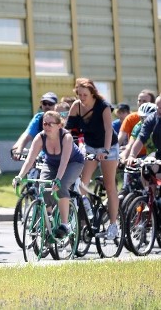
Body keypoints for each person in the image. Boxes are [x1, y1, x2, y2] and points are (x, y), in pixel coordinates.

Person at [12, 111, 84, 238]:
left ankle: (65, 224)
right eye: (45, 123)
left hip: (73, 163)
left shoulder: (66, 137)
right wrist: (19, 176)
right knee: (43, 188)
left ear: (59, 125)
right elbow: (30, 160)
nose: (47, 126)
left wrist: (57, 179)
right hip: (51, 163)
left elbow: (64, 161)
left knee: (61, 186)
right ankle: (49, 218)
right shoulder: (40, 138)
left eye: (51, 124)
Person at [66, 78, 118, 241]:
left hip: (108, 146)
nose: (82, 98)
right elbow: (70, 131)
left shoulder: (103, 107)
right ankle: (81, 216)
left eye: (85, 95)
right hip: (89, 147)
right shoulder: (76, 107)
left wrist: (106, 150)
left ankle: (113, 225)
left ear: (92, 93)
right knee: (81, 183)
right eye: (79, 94)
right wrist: (69, 148)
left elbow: (109, 131)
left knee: (110, 186)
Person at [11, 92, 58, 160]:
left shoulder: (60, 120)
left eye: (50, 104)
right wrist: (18, 149)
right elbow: (27, 135)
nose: (47, 106)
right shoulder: (38, 118)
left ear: (56, 105)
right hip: (40, 158)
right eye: (44, 103)